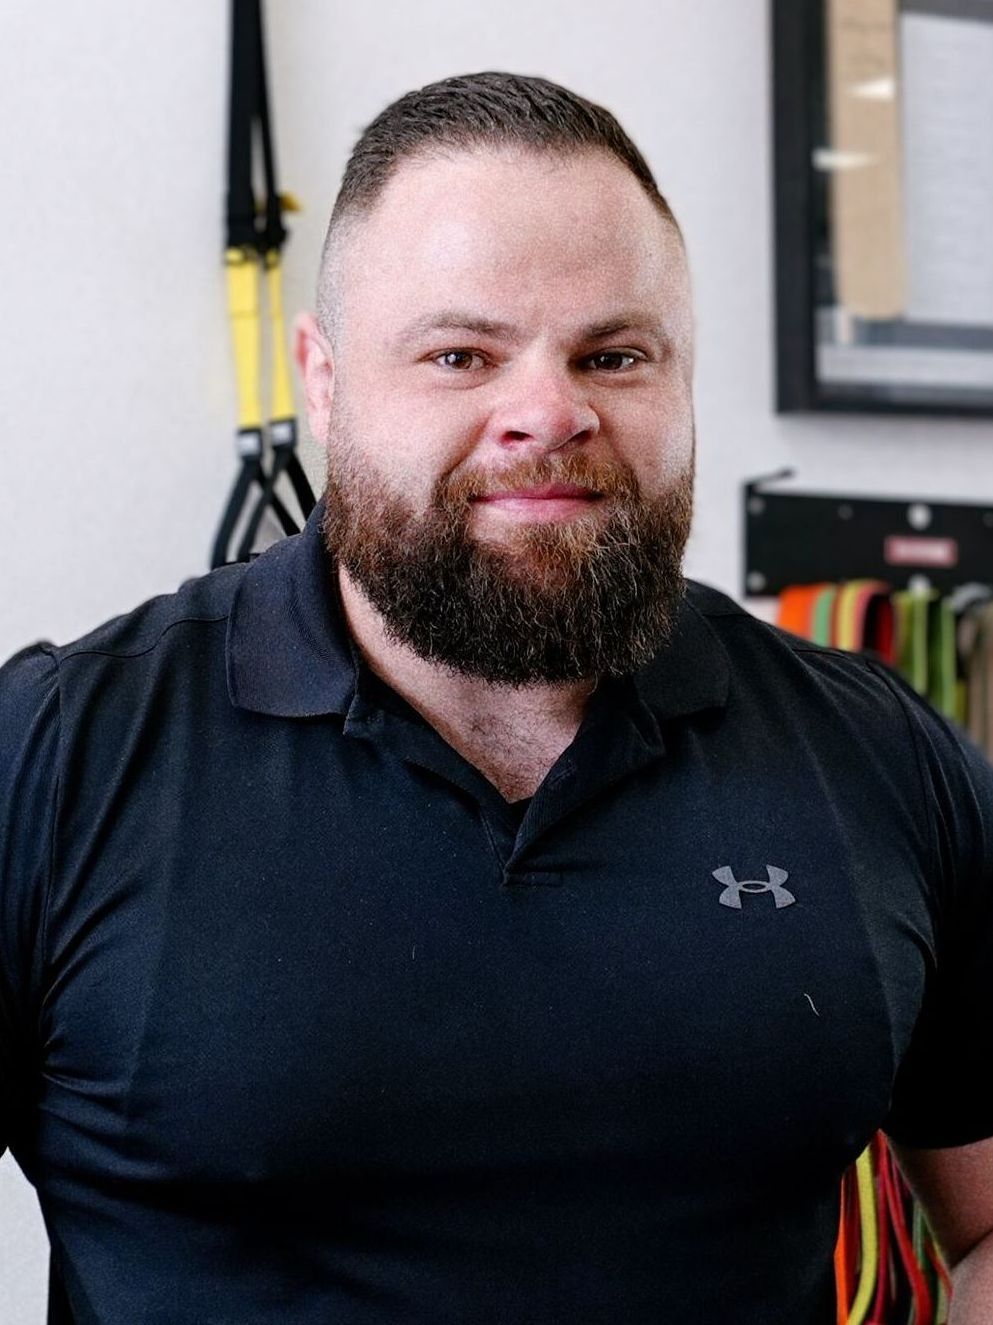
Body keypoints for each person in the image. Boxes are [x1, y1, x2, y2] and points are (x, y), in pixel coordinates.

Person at [1, 71, 992, 1325]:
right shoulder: (54, 757)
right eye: (460, 353)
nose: (548, 411)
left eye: (614, 354)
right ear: (322, 377)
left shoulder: (881, 757)